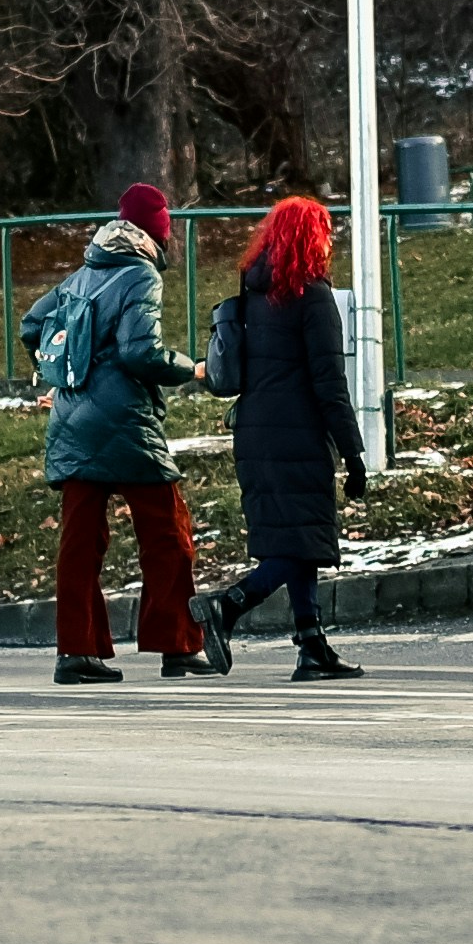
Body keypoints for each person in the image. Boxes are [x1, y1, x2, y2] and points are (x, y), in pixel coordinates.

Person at [18, 181, 217, 686]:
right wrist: (188, 369)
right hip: (126, 422)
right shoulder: (140, 275)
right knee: (167, 533)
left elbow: (30, 325)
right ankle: (177, 644)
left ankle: (76, 652)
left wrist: (64, 376)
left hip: (72, 419)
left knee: (81, 542)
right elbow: (139, 352)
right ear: (156, 233)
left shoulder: (83, 272)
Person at [192, 193, 372, 682]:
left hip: (254, 433)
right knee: (298, 544)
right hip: (299, 434)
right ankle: (228, 606)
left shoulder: (251, 295)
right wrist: (354, 454)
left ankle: (312, 645)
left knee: (298, 538)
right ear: (311, 239)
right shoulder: (312, 297)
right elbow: (330, 384)